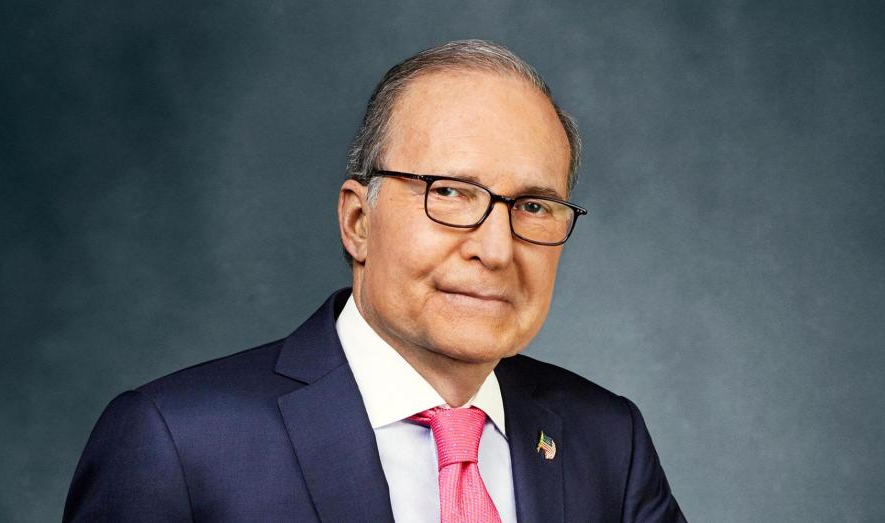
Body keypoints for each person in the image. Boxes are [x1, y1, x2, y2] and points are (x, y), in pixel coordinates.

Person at [63, 40, 687, 522]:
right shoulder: (176, 442)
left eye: (533, 206)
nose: (497, 250)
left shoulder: (608, 439)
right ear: (358, 223)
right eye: (451, 192)